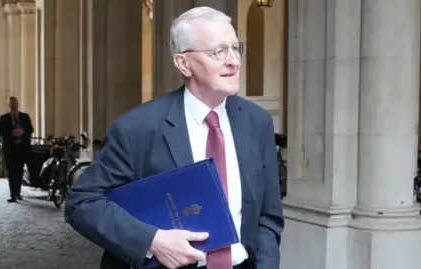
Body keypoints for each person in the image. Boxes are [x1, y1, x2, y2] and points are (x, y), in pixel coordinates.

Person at [64, 6, 284, 269]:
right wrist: (152, 241)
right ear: (183, 63)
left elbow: (268, 217)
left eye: (236, 48)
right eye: (219, 51)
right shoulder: (136, 128)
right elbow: (82, 202)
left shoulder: (257, 122)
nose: (234, 60)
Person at [0, 96, 34, 203]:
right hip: (9, 148)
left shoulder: (24, 116)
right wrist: (11, 133)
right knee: (11, 171)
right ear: (8, 105)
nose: (14, 105)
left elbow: (30, 129)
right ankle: (12, 195)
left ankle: (18, 193)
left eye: (15, 103)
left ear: (18, 104)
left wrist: (23, 131)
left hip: (22, 147)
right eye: (12, 104)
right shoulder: (3, 118)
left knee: (19, 171)